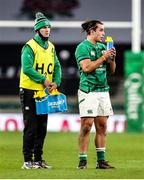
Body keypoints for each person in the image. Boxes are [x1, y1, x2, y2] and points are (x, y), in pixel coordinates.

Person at [19, 12, 61, 169]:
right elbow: (27, 69)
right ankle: (27, 161)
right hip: (29, 90)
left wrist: (56, 81)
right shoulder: (29, 46)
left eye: (49, 27)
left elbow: (57, 66)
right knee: (31, 127)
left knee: (42, 127)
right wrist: (44, 80)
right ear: (37, 30)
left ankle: (38, 159)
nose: (47, 29)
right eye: (44, 27)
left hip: (44, 93)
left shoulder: (51, 47)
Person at [75, 20, 116, 169]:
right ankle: (82, 160)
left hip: (103, 90)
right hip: (89, 90)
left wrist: (111, 58)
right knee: (86, 126)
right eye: (101, 30)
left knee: (103, 125)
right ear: (92, 31)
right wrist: (104, 57)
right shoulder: (82, 47)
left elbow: (112, 70)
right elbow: (86, 68)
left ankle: (101, 161)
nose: (103, 34)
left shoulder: (102, 47)